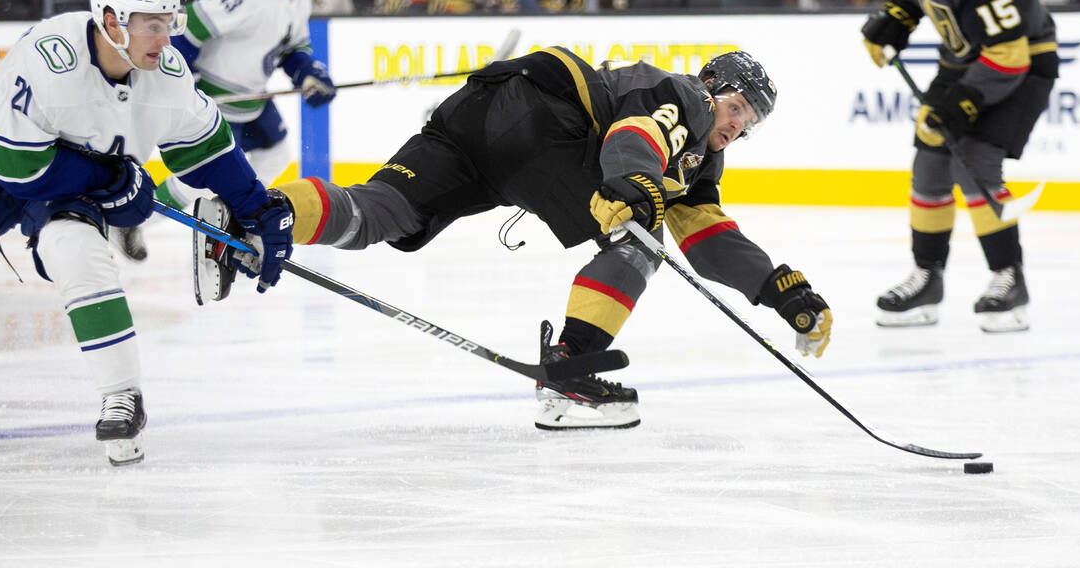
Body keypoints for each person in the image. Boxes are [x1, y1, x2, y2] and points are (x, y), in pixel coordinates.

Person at [193, 48, 832, 430]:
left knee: (383, 212)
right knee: (639, 236)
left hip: (475, 121)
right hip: (540, 119)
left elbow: (710, 237)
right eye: (739, 109)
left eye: (750, 123)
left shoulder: (700, 159)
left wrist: (779, 290)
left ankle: (246, 221)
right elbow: (637, 135)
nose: (737, 127)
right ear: (716, 88)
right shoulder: (687, 98)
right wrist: (634, 185)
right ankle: (570, 367)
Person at [0, 0, 294, 465]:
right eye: (153, 26)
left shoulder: (165, 75)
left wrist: (257, 209)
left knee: (73, 248)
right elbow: (18, 168)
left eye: (169, 23)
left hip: (70, 181)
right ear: (111, 21)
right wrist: (112, 179)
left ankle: (122, 396)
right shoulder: (50, 57)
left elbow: (211, 150)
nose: (166, 39)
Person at [860, 0, 1058, 334]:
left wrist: (962, 101)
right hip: (966, 58)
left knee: (974, 158)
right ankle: (928, 278)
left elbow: (1009, 55)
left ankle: (1009, 280)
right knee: (929, 163)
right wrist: (901, 15)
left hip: (1023, 62)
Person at [138, 0, 335, 256]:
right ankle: (137, 221)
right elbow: (193, 25)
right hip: (216, 96)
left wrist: (309, 74)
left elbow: (292, 48)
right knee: (195, 180)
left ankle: (233, 220)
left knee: (275, 154)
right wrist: (179, 80)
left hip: (251, 98)